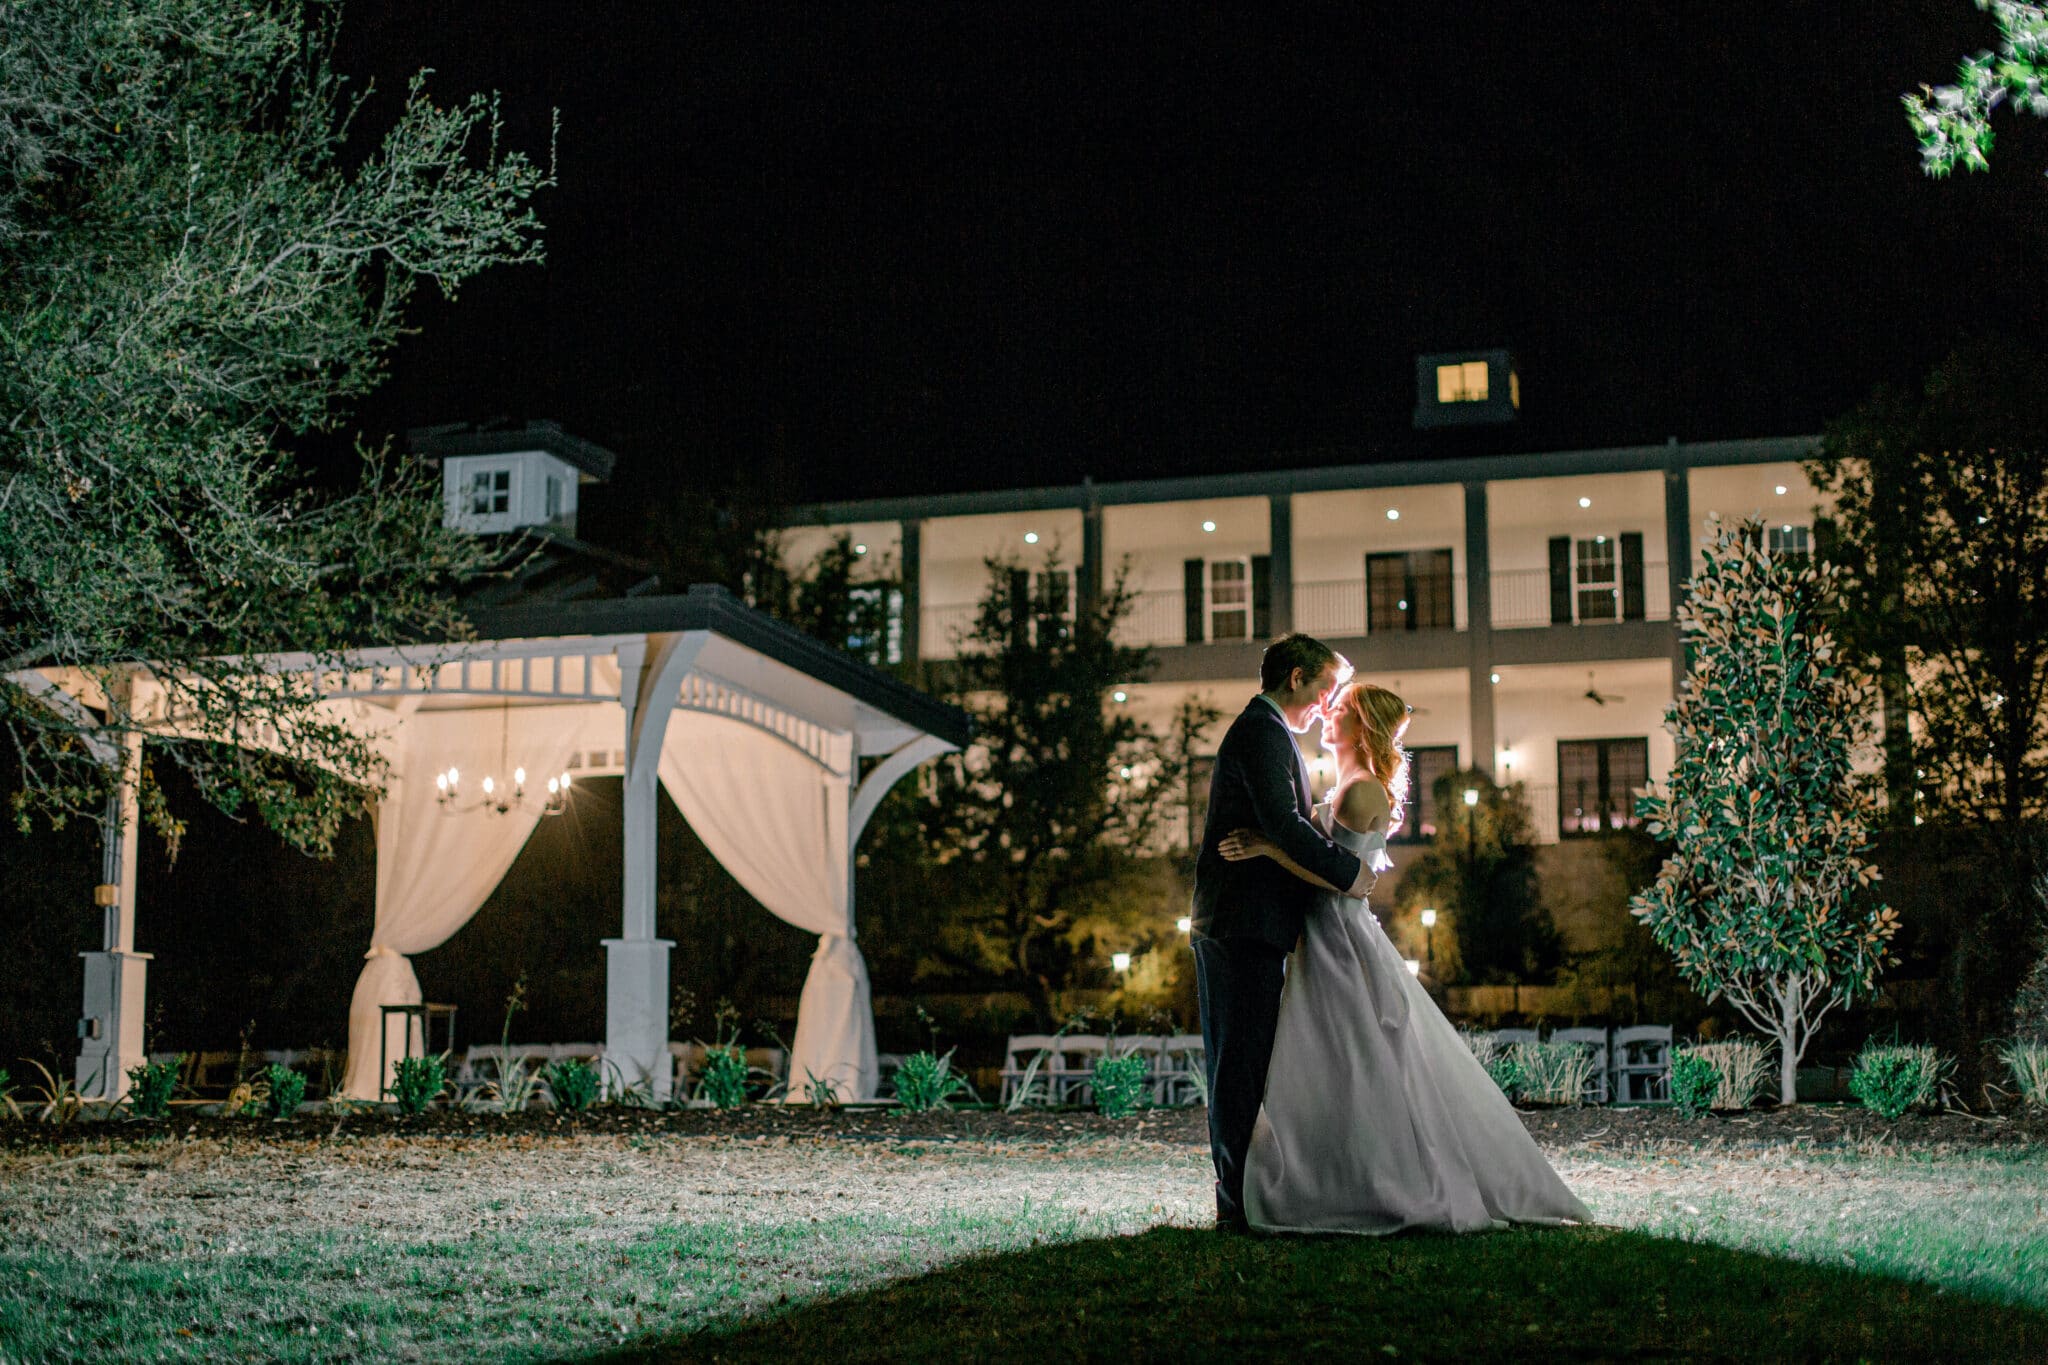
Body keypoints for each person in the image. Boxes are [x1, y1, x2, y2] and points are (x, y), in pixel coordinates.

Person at [1220, 679, 1593, 1234]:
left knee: (1357, 1058)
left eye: (1340, 707)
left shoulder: (1360, 790)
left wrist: (1271, 846)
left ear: (1362, 724)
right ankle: (1339, 1174)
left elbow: (1346, 880)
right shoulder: (1347, 782)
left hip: (1338, 940)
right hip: (1323, 936)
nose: (1328, 710)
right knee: (1337, 1060)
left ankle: (1381, 1181)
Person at [1189, 633, 1378, 1232]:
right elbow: (1286, 825)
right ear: (1296, 677)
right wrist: (1352, 875)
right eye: (1326, 687)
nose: (1330, 701)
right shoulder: (1261, 733)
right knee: (1238, 1063)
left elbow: (1285, 830)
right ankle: (1236, 1205)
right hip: (1241, 925)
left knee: (1244, 1060)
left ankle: (1246, 1196)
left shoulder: (1271, 735)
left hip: (1251, 924)